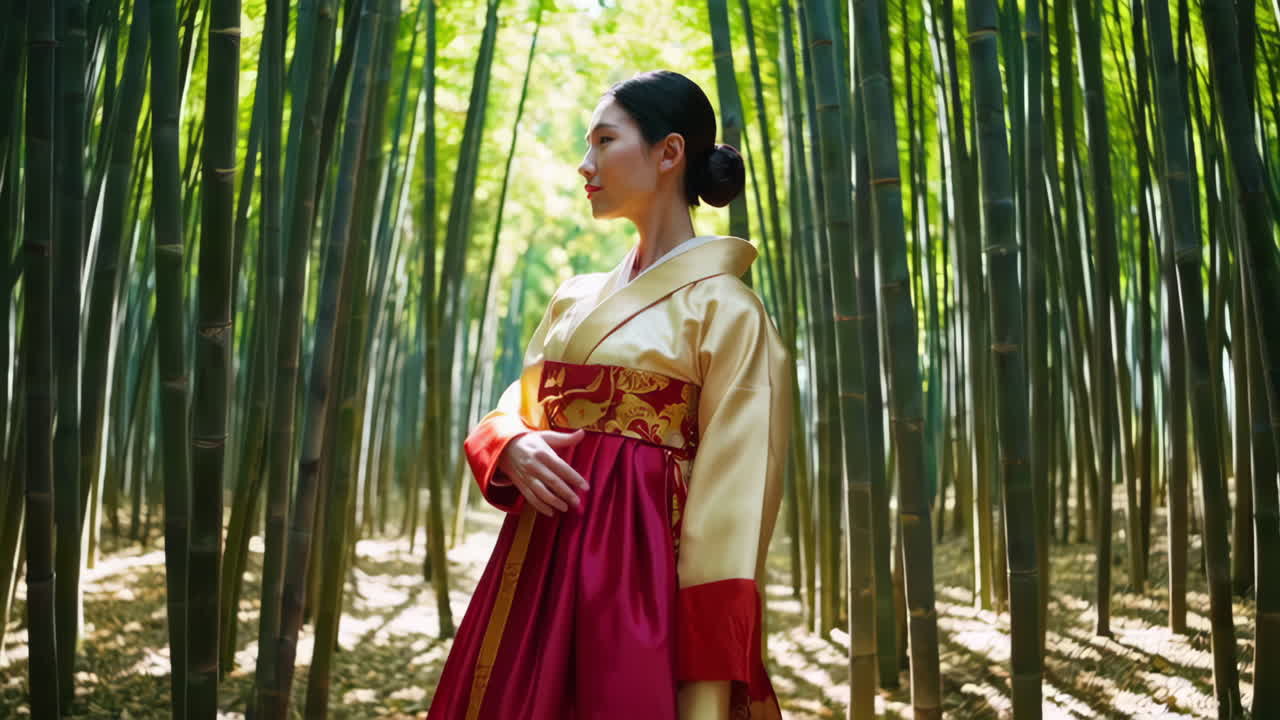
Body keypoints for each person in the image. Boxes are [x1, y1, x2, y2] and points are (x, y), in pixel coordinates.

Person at [425, 70, 791, 720]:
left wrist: (704, 677)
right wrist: (507, 443)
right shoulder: (575, 296)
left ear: (669, 153)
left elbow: (733, 507)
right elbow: (522, 401)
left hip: (639, 588)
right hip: (538, 567)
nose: (584, 163)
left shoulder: (728, 311)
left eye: (603, 141)